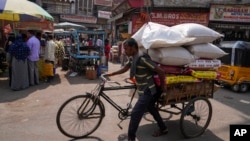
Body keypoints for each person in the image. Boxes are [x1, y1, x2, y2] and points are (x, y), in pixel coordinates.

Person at [105, 38, 168, 141]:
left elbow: (161, 71)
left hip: (148, 89)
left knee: (135, 113)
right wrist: (111, 74)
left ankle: (131, 138)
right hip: (142, 88)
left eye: (126, 48)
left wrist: (163, 87)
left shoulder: (142, 58)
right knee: (151, 107)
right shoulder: (133, 57)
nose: (125, 51)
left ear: (133, 47)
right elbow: (125, 68)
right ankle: (163, 128)